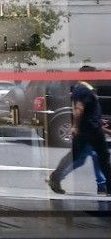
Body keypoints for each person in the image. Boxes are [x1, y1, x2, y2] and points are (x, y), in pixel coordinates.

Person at [47, 66, 111, 196]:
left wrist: (102, 125)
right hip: (88, 130)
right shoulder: (83, 89)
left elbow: (87, 111)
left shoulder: (85, 89)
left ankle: (55, 177)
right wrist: (75, 126)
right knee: (100, 157)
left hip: (91, 129)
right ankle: (55, 177)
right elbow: (79, 109)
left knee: (81, 156)